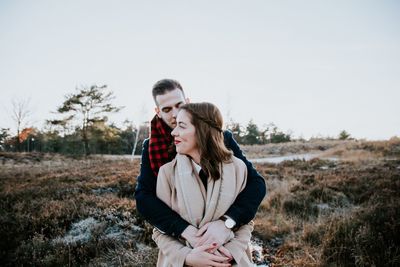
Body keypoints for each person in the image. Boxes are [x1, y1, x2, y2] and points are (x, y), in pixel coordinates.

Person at [135, 79, 266, 252]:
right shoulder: (152, 147)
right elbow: (145, 198)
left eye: (179, 105)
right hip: (182, 241)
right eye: (167, 109)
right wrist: (184, 230)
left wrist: (227, 222)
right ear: (158, 112)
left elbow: (255, 184)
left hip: (225, 239)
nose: (175, 114)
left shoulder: (220, 137)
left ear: (187, 102)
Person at [153, 102, 254, 266]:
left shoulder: (238, 168)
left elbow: (246, 222)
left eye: (182, 126)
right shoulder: (167, 173)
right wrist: (186, 257)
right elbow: (159, 230)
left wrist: (231, 252)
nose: (174, 132)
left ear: (202, 130)